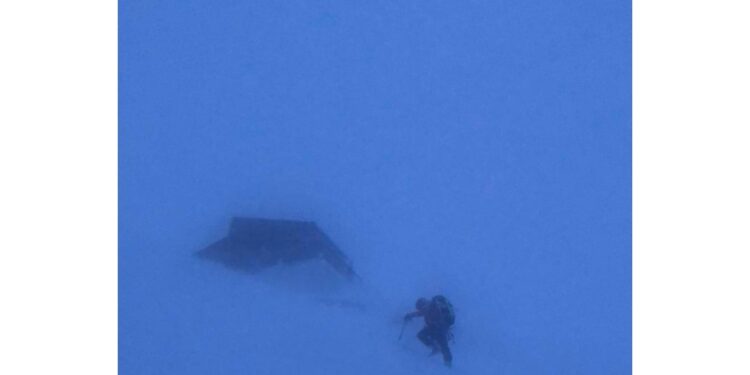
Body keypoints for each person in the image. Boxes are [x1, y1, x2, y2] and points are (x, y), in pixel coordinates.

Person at [404, 295, 454, 367]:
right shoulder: (435, 305)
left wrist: (409, 315)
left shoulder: (428, 306)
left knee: (421, 335)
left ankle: (436, 349)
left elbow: (419, 313)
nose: (419, 309)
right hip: (442, 327)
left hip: (436, 327)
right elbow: (420, 313)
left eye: (419, 307)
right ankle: (448, 362)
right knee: (444, 345)